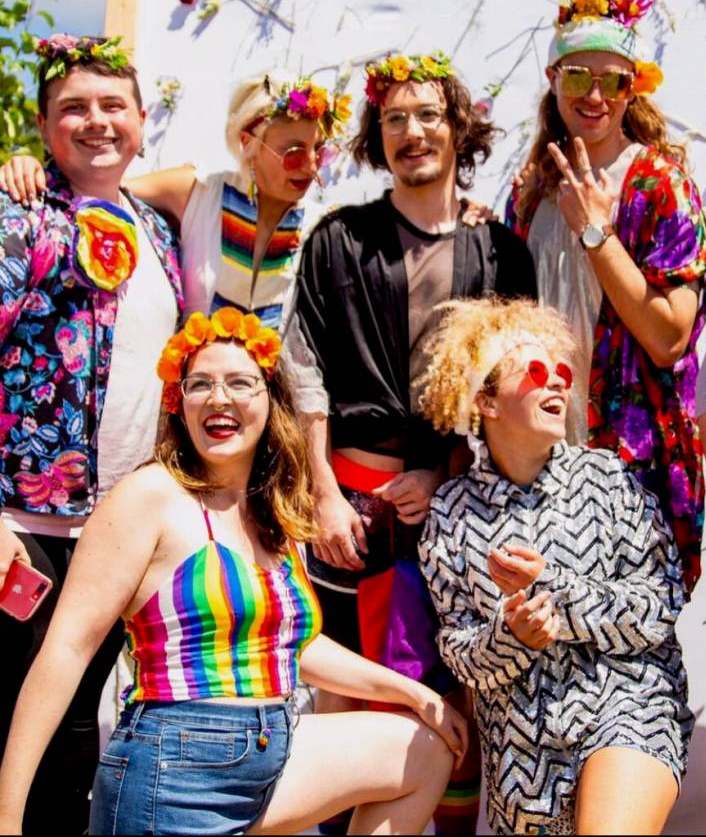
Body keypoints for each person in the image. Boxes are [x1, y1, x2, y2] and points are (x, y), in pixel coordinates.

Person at [0, 307, 466, 836]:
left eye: (240, 383)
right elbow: (66, 652)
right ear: (179, 405)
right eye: (200, 384)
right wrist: (6, 818)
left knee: (423, 751)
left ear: (271, 403)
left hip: (272, 749)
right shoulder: (149, 496)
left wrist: (413, 693)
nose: (219, 398)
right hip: (173, 772)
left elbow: (296, 646)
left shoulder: (273, 513)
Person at [293, 50, 536, 834]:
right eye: (394, 118)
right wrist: (323, 496)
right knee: (344, 693)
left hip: (459, 507)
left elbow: (509, 387)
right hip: (349, 507)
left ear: (458, 128)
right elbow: (304, 373)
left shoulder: (500, 250)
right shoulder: (339, 239)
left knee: (456, 694)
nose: (411, 131)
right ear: (377, 135)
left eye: (428, 114)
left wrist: (444, 473)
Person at [416, 297, 692, 834]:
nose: (558, 384)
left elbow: (661, 604)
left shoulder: (609, 478)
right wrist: (511, 634)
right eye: (537, 372)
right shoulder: (448, 514)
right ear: (487, 402)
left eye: (563, 371)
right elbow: (459, 653)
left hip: (627, 706)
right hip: (523, 757)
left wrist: (557, 596)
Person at [0, 34, 182, 834]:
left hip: (112, 530)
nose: (96, 122)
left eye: (114, 107)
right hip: (22, 526)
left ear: (142, 124)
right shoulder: (20, 218)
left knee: (76, 724)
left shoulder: (160, 230)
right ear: (44, 129)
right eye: (74, 108)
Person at [506, 0, 706, 590]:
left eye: (614, 80)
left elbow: (669, 338)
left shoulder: (658, 182)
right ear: (553, 80)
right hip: (537, 454)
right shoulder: (530, 192)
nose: (595, 96)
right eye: (578, 77)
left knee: (634, 645)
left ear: (635, 88)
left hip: (633, 459)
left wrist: (596, 232)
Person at [0, 71, 347, 413]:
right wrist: (31, 167)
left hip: (267, 417)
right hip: (189, 414)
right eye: (295, 154)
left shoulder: (322, 229)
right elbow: (99, 185)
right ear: (248, 144)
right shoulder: (197, 193)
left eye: (323, 152)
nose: (312, 167)